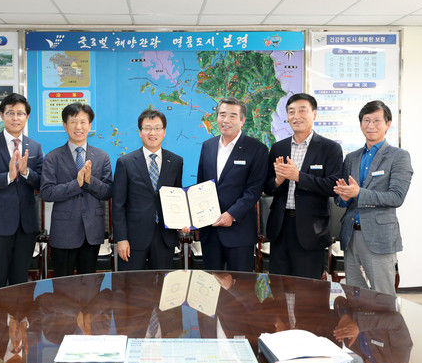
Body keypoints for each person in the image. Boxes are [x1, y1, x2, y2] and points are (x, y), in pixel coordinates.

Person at [334, 100, 413, 296]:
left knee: (383, 296)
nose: (371, 126)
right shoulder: (351, 158)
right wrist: (343, 197)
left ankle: (386, 328)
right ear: (360, 124)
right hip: (350, 235)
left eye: (377, 121)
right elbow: (341, 199)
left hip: (379, 236)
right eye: (366, 120)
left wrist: (358, 193)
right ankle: (362, 328)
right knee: (355, 294)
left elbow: (396, 197)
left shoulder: (399, 156)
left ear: (388, 123)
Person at [264, 93, 343, 279]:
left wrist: (298, 176)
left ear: (314, 114)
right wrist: (278, 181)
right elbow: (267, 186)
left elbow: (333, 186)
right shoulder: (278, 148)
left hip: (311, 230)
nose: (296, 116)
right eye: (291, 111)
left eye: (302, 110)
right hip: (280, 227)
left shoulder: (330, 148)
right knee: (279, 287)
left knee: (308, 293)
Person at [0, 93, 43, 290]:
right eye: (10, 113)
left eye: (20, 113)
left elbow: (42, 183)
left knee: (20, 282)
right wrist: (8, 177)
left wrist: (26, 172)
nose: (15, 118)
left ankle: (19, 321)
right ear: (2, 115)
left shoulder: (35, 147)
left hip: (25, 226)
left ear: (27, 117)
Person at [40, 102, 112, 277]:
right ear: (65, 126)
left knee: (89, 285)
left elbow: (108, 192)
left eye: (83, 122)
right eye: (73, 122)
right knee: (62, 286)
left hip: (92, 231)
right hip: (64, 232)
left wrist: (89, 181)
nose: (78, 127)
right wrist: (76, 184)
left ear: (90, 126)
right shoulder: (52, 157)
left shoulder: (102, 157)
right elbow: (47, 193)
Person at [197, 96, 268, 271]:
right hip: (210, 231)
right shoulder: (208, 146)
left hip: (239, 232)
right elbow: (201, 186)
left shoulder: (257, 149)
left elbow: (254, 190)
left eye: (232, 116)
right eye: (222, 115)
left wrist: (232, 214)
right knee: (211, 287)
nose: (226, 120)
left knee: (240, 290)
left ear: (242, 121)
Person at [112, 109, 184, 270]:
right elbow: (118, 205)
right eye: (147, 128)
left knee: (163, 288)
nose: (153, 132)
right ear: (140, 132)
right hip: (133, 238)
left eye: (157, 128)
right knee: (131, 287)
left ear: (164, 132)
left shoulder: (176, 162)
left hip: (165, 237)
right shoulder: (126, 162)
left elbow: (178, 197)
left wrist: (184, 221)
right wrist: (121, 239)